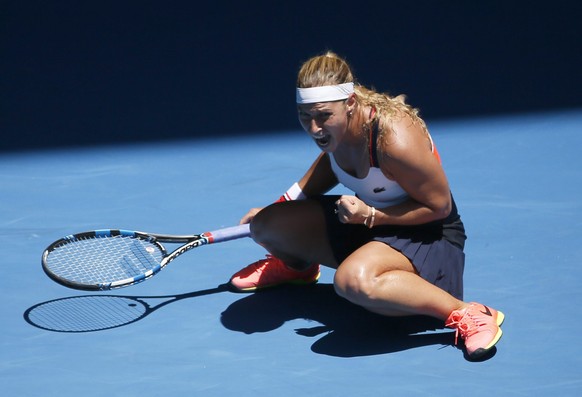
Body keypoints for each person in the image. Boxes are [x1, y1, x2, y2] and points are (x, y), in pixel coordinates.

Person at [229, 51, 504, 359]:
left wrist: (372, 215)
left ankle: (468, 314)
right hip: (368, 222)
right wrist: (275, 210)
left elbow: (439, 207)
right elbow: (327, 168)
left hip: (430, 235)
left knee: (351, 282)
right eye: (305, 116)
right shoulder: (340, 130)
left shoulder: (394, 140)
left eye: (322, 116)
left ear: (349, 104)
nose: (315, 128)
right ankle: (297, 267)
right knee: (268, 223)